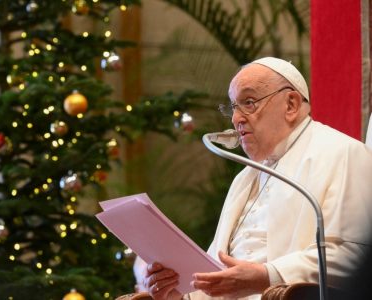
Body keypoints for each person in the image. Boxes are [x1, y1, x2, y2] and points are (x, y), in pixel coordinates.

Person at [136, 57, 372, 299]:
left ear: (290, 104)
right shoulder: (245, 177)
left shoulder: (344, 153)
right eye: (233, 107)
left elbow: (354, 255)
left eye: (248, 102)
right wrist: (177, 292)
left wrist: (267, 276)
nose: (235, 119)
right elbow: (216, 277)